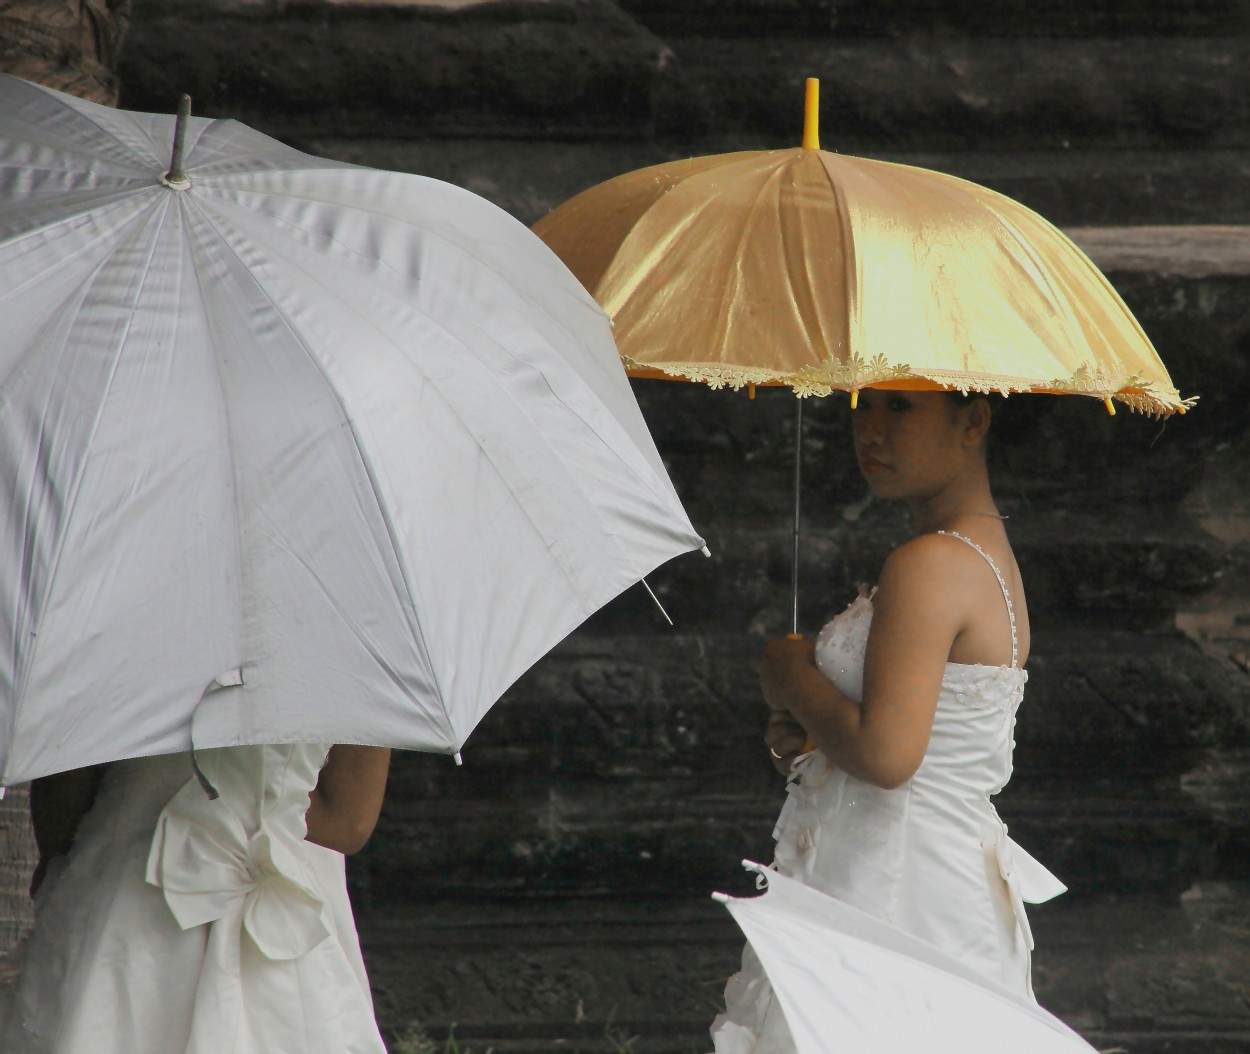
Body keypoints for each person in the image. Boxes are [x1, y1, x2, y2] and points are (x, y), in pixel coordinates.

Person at [710, 389, 1067, 1053]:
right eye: (861, 405)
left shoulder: (933, 563)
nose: (870, 432)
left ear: (973, 421)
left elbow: (886, 756)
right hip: (920, 867)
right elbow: (902, 745)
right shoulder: (980, 554)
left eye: (900, 408)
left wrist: (793, 676)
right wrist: (811, 741)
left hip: (899, 884)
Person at [1, 741, 391, 1054]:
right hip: (287, 893)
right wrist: (259, 803)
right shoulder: (355, 645)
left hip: (126, 885)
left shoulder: (105, 640)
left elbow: (65, 788)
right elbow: (347, 823)